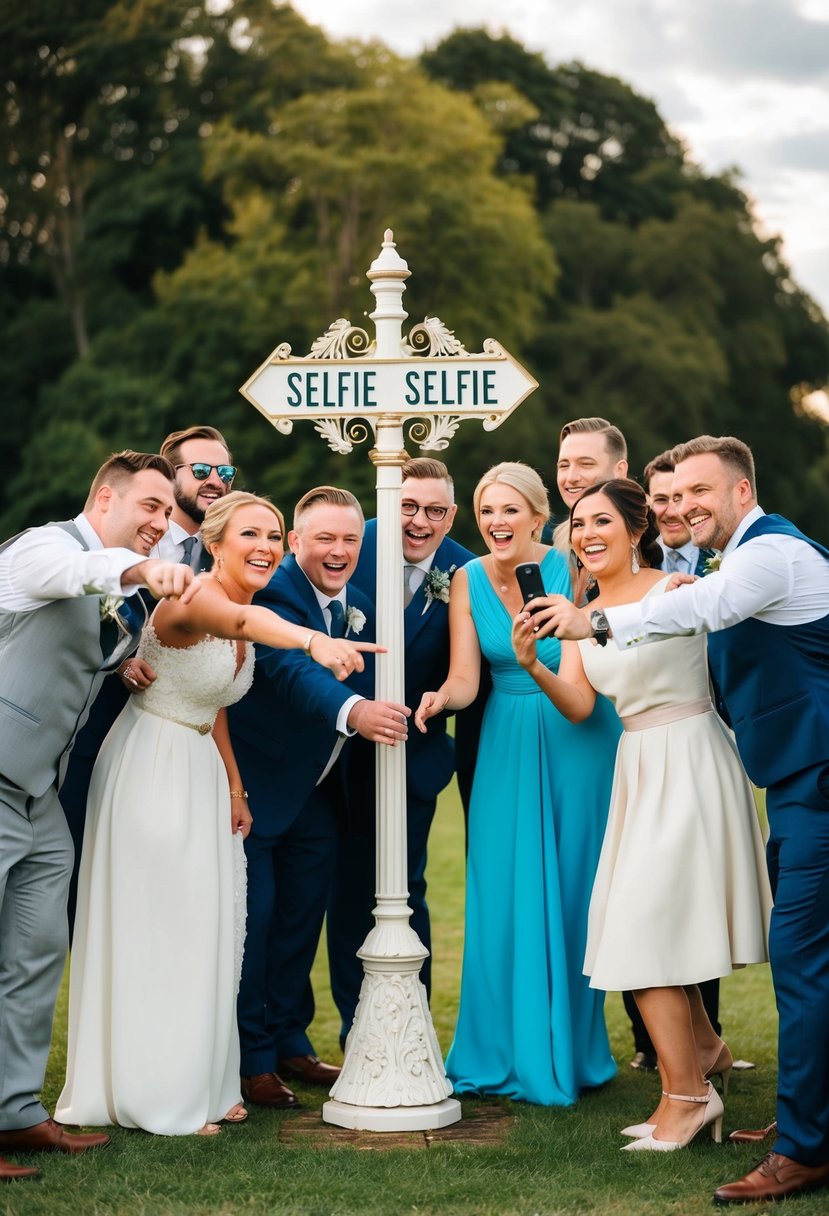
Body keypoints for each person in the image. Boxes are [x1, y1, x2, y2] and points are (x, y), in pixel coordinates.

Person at [538, 436, 829, 1203]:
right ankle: (801, 1123)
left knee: (801, 963)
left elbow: (702, 609)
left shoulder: (762, 558)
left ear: (741, 491)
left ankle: (801, 1144)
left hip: (800, 775)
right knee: (801, 961)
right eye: (673, 494)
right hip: (772, 775)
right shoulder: (725, 561)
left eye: (700, 490)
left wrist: (593, 625)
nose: (684, 506)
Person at [56, 491, 374, 1137]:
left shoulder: (240, 604)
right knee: (164, 928)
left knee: (211, 930)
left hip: (199, 762)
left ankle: (204, 1082)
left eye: (273, 535)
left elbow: (215, 700)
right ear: (216, 543)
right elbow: (241, 630)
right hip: (154, 769)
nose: (263, 546)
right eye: (249, 534)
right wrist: (314, 640)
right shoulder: (196, 598)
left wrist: (234, 785)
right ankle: (156, 1095)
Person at [512, 478, 771, 1151]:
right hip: (637, 765)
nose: (586, 533)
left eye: (601, 520)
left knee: (644, 930)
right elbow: (576, 703)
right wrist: (532, 665)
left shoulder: (677, 590)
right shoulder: (575, 611)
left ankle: (685, 1097)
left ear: (635, 529)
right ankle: (703, 1057)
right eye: (576, 523)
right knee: (648, 925)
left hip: (689, 758)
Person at [0, 450, 196, 1181]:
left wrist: (119, 659)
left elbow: (80, 630)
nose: (159, 522)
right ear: (103, 499)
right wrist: (138, 571)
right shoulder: (42, 548)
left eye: (166, 513)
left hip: (38, 796)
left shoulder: (119, 585)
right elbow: (63, 578)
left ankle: (15, 1115)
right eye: (147, 506)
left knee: (37, 952)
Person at [415, 461, 617, 1105]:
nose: (496, 523)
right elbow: (467, 678)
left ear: (538, 516)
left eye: (510, 511)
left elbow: (592, 666)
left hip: (576, 735)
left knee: (573, 892)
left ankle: (572, 1052)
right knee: (499, 892)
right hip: (503, 737)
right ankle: (499, 1049)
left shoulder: (575, 569)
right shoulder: (466, 580)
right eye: (486, 512)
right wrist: (438, 698)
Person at [228, 487, 409, 1109]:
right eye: (324, 539)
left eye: (350, 539)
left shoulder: (359, 602)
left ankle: (289, 1042)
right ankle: (251, 1060)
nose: (338, 551)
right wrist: (355, 710)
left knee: (302, 920)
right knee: (258, 922)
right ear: (297, 542)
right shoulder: (275, 592)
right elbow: (289, 669)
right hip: (255, 788)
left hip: (319, 796)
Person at [59, 424, 236, 936]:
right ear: (170, 473)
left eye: (224, 472)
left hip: (179, 748)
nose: (214, 482)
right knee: (72, 893)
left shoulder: (226, 558)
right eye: (200, 470)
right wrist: (118, 661)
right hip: (94, 735)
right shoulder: (127, 540)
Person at [329, 457, 481, 1044]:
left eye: (434, 510)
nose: (419, 522)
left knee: (407, 894)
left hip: (414, 759)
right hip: (335, 754)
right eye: (406, 507)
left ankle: (411, 1031)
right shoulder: (350, 542)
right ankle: (355, 1031)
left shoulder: (464, 570)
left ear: (451, 514)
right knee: (343, 893)